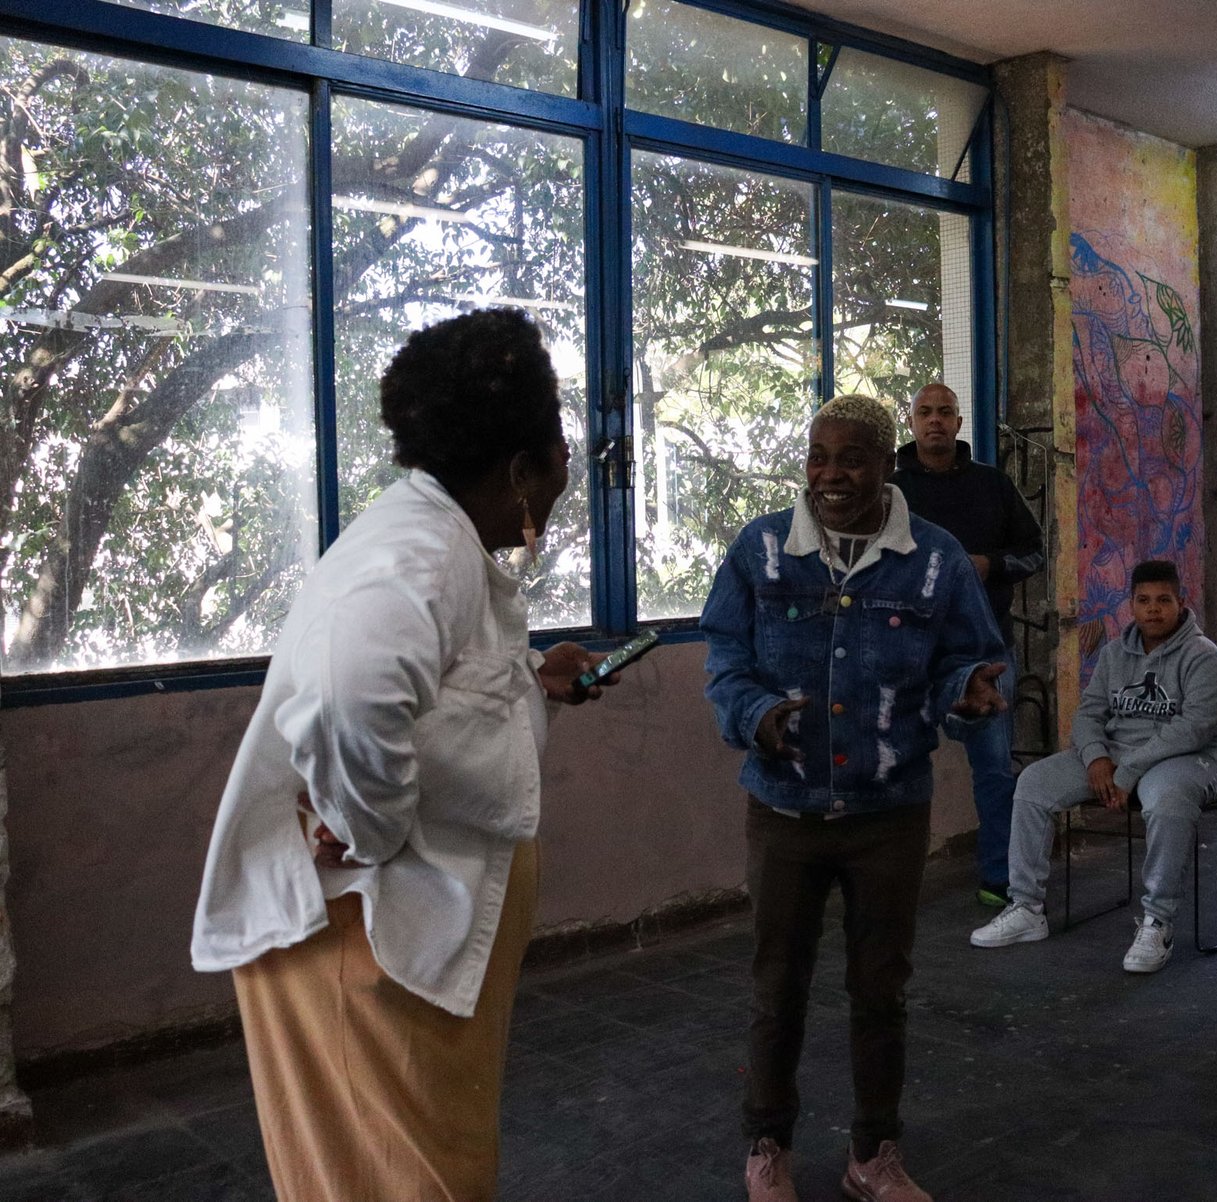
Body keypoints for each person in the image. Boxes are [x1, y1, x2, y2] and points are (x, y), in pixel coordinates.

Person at [191, 309, 615, 1201]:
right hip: (363, 937)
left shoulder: (437, 536)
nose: (567, 468)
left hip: (401, 936)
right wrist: (371, 830)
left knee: (417, 1170)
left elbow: (428, 691)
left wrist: (531, 679)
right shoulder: (420, 554)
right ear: (521, 470)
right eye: (560, 448)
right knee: (392, 1183)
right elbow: (351, 690)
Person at [702, 394, 1007, 1202]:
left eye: (851, 458)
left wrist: (966, 692)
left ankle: (873, 1154)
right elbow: (725, 658)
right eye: (818, 456)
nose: (830, 474)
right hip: (783, 811)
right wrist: (755, 714)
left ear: (885, 465)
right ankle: (768, 1145)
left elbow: (969, 655)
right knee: (777, 990)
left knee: (880, 991)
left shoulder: (934, 559)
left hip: (888, 815)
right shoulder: (762, 550)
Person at [969, 559, 1217, 973]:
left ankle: (1158, 921)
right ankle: (1027, 908)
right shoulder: (1114, 654)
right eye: (1143, 600)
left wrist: (1125, 771)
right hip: (1114, 753)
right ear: (1131, 605)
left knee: (1168, 801)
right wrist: (1096, 757)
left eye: (1163, 600)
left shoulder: (1204, 657)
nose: (1153, 609)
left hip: (1185, 757)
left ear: (1181, 603)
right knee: (1034, 783)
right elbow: (1089, 713)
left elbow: (1193, 730)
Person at [890, 382, 1044, 907]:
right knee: (894, 763)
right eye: (924, 412)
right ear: (911, 422)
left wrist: (990, 564)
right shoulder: (890, 493)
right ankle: (887, 878)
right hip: (907, 651)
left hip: (986, 652)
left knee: (995, 768)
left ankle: (1000, 879)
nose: (935, 420)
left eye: (945, 412)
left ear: (959, 423)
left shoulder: (992, 484)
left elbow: (1033, 552)